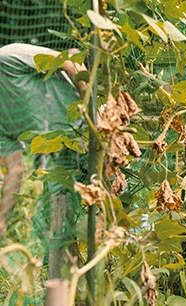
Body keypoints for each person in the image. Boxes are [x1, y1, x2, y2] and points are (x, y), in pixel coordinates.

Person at [0, 43, 86, 279]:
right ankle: (70, 288)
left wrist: (91, 108)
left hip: (86, 131)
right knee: (47, 222)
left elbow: (69, 60)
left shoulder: (8, 58)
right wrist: (2, 223)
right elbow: (15, 170)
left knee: (115, 206)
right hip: (56, 156)